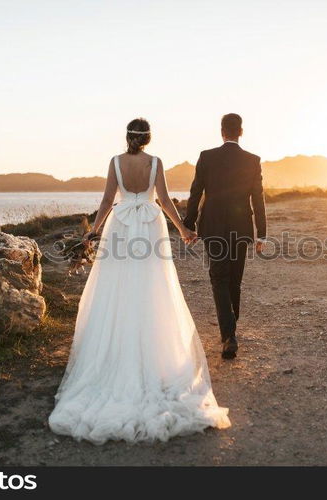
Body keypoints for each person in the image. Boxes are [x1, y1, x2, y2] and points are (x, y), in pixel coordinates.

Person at [48, 118, 230, 444]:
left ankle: (116, 355)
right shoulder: (155, 162)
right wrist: (183, 229)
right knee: (152, 287)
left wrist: (93, 231)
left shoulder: (115, 162)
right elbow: (164, 200)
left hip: (119, 224)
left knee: (117, 287)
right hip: (149, 225)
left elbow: (106, 201)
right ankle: (154, 355)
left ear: (127, 137)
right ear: (147, 138)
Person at [184, 113, 267, 359]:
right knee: (234, 280)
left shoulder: (207, 157)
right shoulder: (252, 160)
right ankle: (231, 330)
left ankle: (229, 335)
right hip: (241, 228)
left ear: (222, 131)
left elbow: (195, 192)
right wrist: (261, 233)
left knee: (219, 278)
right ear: (241, 132)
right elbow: (258, 198)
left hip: (213, 227)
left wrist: (188, 224)